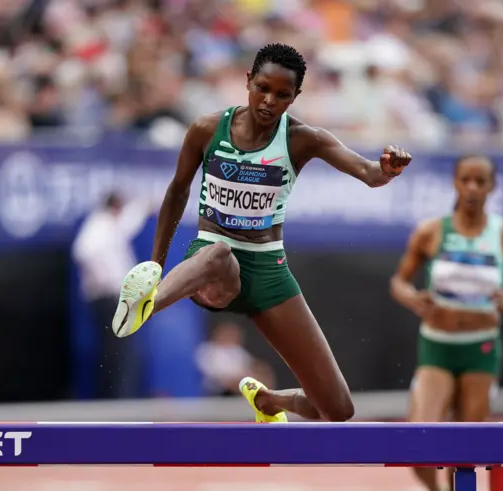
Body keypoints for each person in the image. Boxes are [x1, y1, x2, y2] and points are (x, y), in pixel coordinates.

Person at [112, 43, 412, 422]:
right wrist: (155, 264)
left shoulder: (304, 138)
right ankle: (148, 302)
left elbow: (369, 174)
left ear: (295, 97)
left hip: (268, 269)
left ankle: (269, 403)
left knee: (336, 409)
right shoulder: (207, 129)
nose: (270, 101)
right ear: (248, 81)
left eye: (283, 95)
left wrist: (387, 169)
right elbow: (176, 192)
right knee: (219, 253)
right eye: (263, 89)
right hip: (211, 266)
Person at [389, 155, 503, 491]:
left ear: (492, 187)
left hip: (481, 351)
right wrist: (413, 297)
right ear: (455, 183)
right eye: (466, 180)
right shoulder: (431, 231)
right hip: (437, 347)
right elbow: (399, 282)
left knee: (465, 453)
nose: (472, 188)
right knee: (420, 443)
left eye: (480, 181)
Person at [72, 192, 152, 399]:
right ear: (115, 206)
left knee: (120, 352)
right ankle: (118, 400)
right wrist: (104, 281)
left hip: (113, 298)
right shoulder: (98, 225)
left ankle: (120, 398)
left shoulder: (111, 224)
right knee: (118, 353)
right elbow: (83, 252)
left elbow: (130, 220)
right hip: (108, 298)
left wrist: (146, 203)